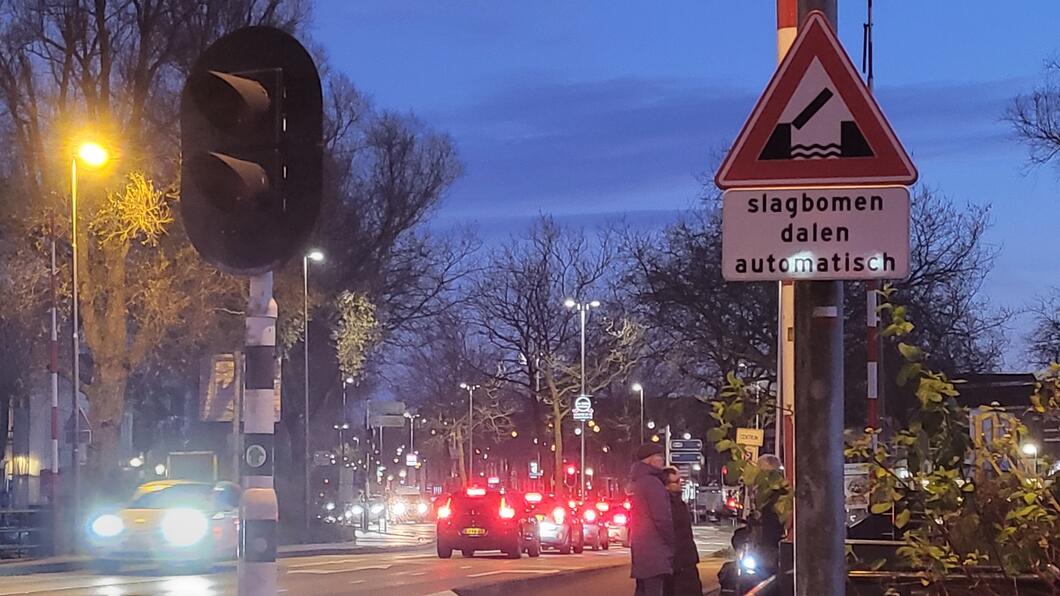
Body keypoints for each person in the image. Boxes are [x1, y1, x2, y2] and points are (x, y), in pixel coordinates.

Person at [629, 443, 674, 596]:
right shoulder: (653, 484)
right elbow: (662, 518)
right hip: (655, 550)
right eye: (658, 456)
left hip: (642, 550)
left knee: (642, 590)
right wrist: (671, 543)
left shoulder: (638, 481)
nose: (662, 459)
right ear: (649, 460)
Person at [662, 467, 703, 596]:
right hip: (677, 562)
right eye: (677, 481)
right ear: (666, 486)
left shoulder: (680, 503)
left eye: (681, 479)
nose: (681, 483)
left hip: (687, 559)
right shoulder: (665, 505)